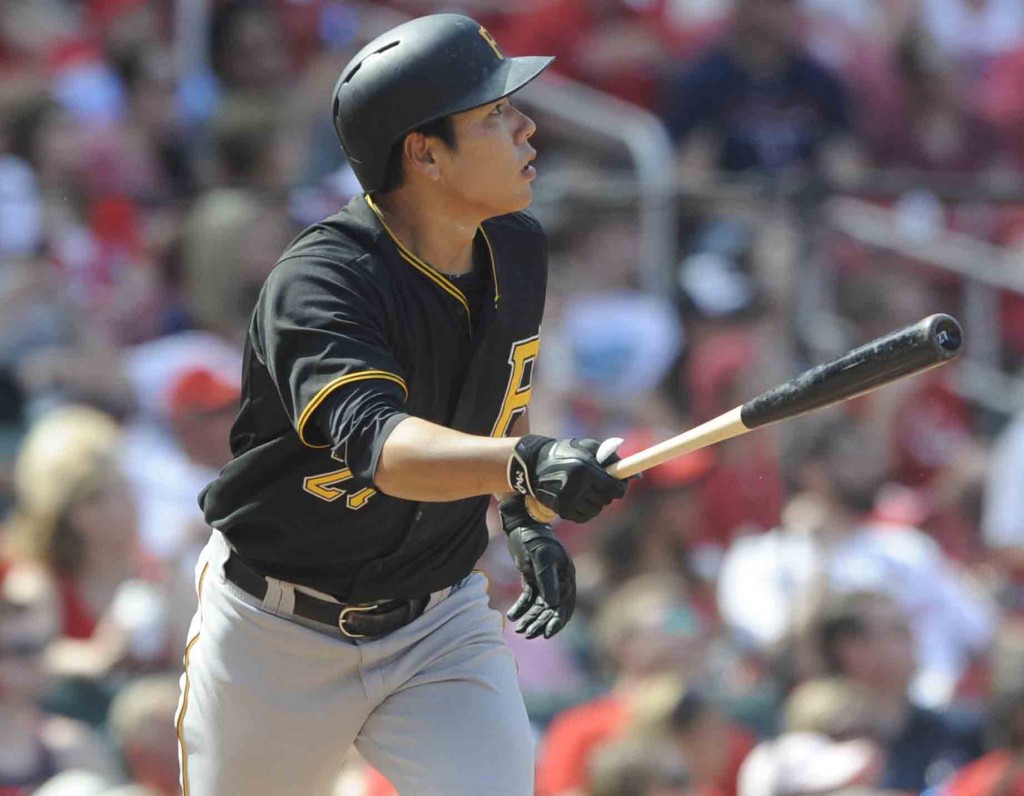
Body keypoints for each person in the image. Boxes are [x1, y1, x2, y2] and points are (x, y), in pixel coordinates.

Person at [176, 14, 629, 796]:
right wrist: (523, 465)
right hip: (276, 631)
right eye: (492, 115)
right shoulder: (320, 282)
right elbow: (383, 450)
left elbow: (500, 403)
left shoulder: (515, 244)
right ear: (424, 153)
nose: (525, 126)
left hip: (435, 625)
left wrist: (520, 511)